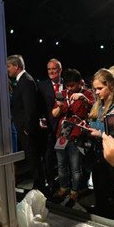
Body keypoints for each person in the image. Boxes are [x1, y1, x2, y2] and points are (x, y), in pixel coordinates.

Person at [86, 69, 114, 218]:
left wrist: (99, 134)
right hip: (97, 154)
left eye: (100, 88)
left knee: (108, 194)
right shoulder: (98, 105)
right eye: (95, 89)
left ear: (110, 86)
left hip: (111, 158)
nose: (96, 92)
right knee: (99, 191)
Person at [51, 68, 94, 203]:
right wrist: (59, 106)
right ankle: (63, 188)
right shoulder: (63, 94)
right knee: (61, 164)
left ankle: (74, 191)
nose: (69, 88)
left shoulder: (86, 93)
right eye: (67, 85)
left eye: (72, 85)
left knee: (76, 166)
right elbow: (54, 114)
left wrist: (83, 98)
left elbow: (94, 110)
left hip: (77, 133)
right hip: (63, 132)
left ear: (79, 82)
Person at [7, 54, 46, 191]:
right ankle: (38, 186)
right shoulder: (23, 80)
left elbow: (30, 108)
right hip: (24, 128)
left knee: (33, 158)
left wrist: (27, 129)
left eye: (8, 66)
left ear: (16, 66)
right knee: (32, 158)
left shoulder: (26, 81)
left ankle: (39, 188)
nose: (7, 69)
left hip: (27, 129)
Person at [37, 58, 62, 192]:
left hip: (64, 126)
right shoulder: (42, 86)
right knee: (49, 156)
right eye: (49, 69)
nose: (51, 71)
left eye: (54, 69)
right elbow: (38, 105)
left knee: (64, 156)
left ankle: (65, 183)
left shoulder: (67, 84)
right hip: (49, 126)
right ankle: (51, 182)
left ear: (60, 70)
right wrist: (41, 118)